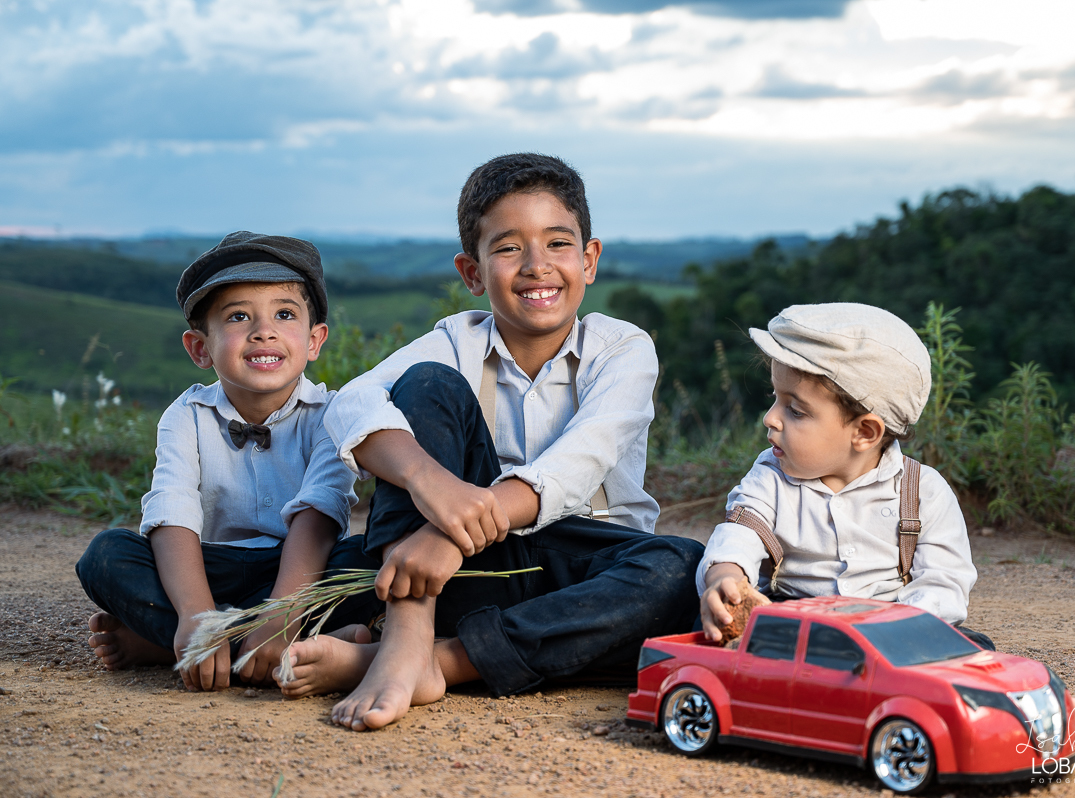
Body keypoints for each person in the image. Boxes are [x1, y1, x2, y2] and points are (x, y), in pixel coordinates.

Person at [280, 153, 703, 730]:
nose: (536, 265)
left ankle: (431, 661)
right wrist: (432, 487)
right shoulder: (457, 340)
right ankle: (407, 631)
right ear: (472, 272)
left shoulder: (623, 349)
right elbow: (353, 400)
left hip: (581, 568)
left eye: (558, 243)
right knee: (424, 391)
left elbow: (577, 466)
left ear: (590, 259)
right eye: (508, 248)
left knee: (679, 571)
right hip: (459, 569)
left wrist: (443, 537)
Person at [75, 232, 381, 691]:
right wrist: (198, 615)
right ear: (201, 348)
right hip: (204, 573)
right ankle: (255, 649)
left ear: (314, 340)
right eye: (239, 316)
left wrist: (281, 614)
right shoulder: (185, 416)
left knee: (371, 559)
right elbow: (172, 510)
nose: (264, 330)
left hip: (297, 574)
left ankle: (173, 648)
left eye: (284, 314)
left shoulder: (333, 415)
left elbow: (319, 512)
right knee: (107, 555)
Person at [698, 303, 993, 650]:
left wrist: (894, 631)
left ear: (865, 432)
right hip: (795, 624)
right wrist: (726, 575)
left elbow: (944, 583)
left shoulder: (923, 492)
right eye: (774, 398)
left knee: (972, 646)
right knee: (717, 629)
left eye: (795, 410)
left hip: (890, 630)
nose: (770, 418)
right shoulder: (770, 477)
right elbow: (740, 533)